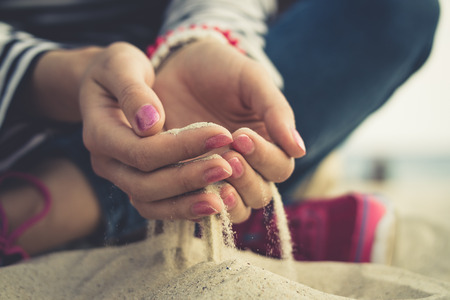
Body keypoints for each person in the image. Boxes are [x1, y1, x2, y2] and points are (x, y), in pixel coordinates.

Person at [0, 0, 440, 266]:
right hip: (24, 107)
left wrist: (206, 37)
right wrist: (62, 76)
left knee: (396, 10)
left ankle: (63, 206)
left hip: (182, 82)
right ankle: (56, 206)